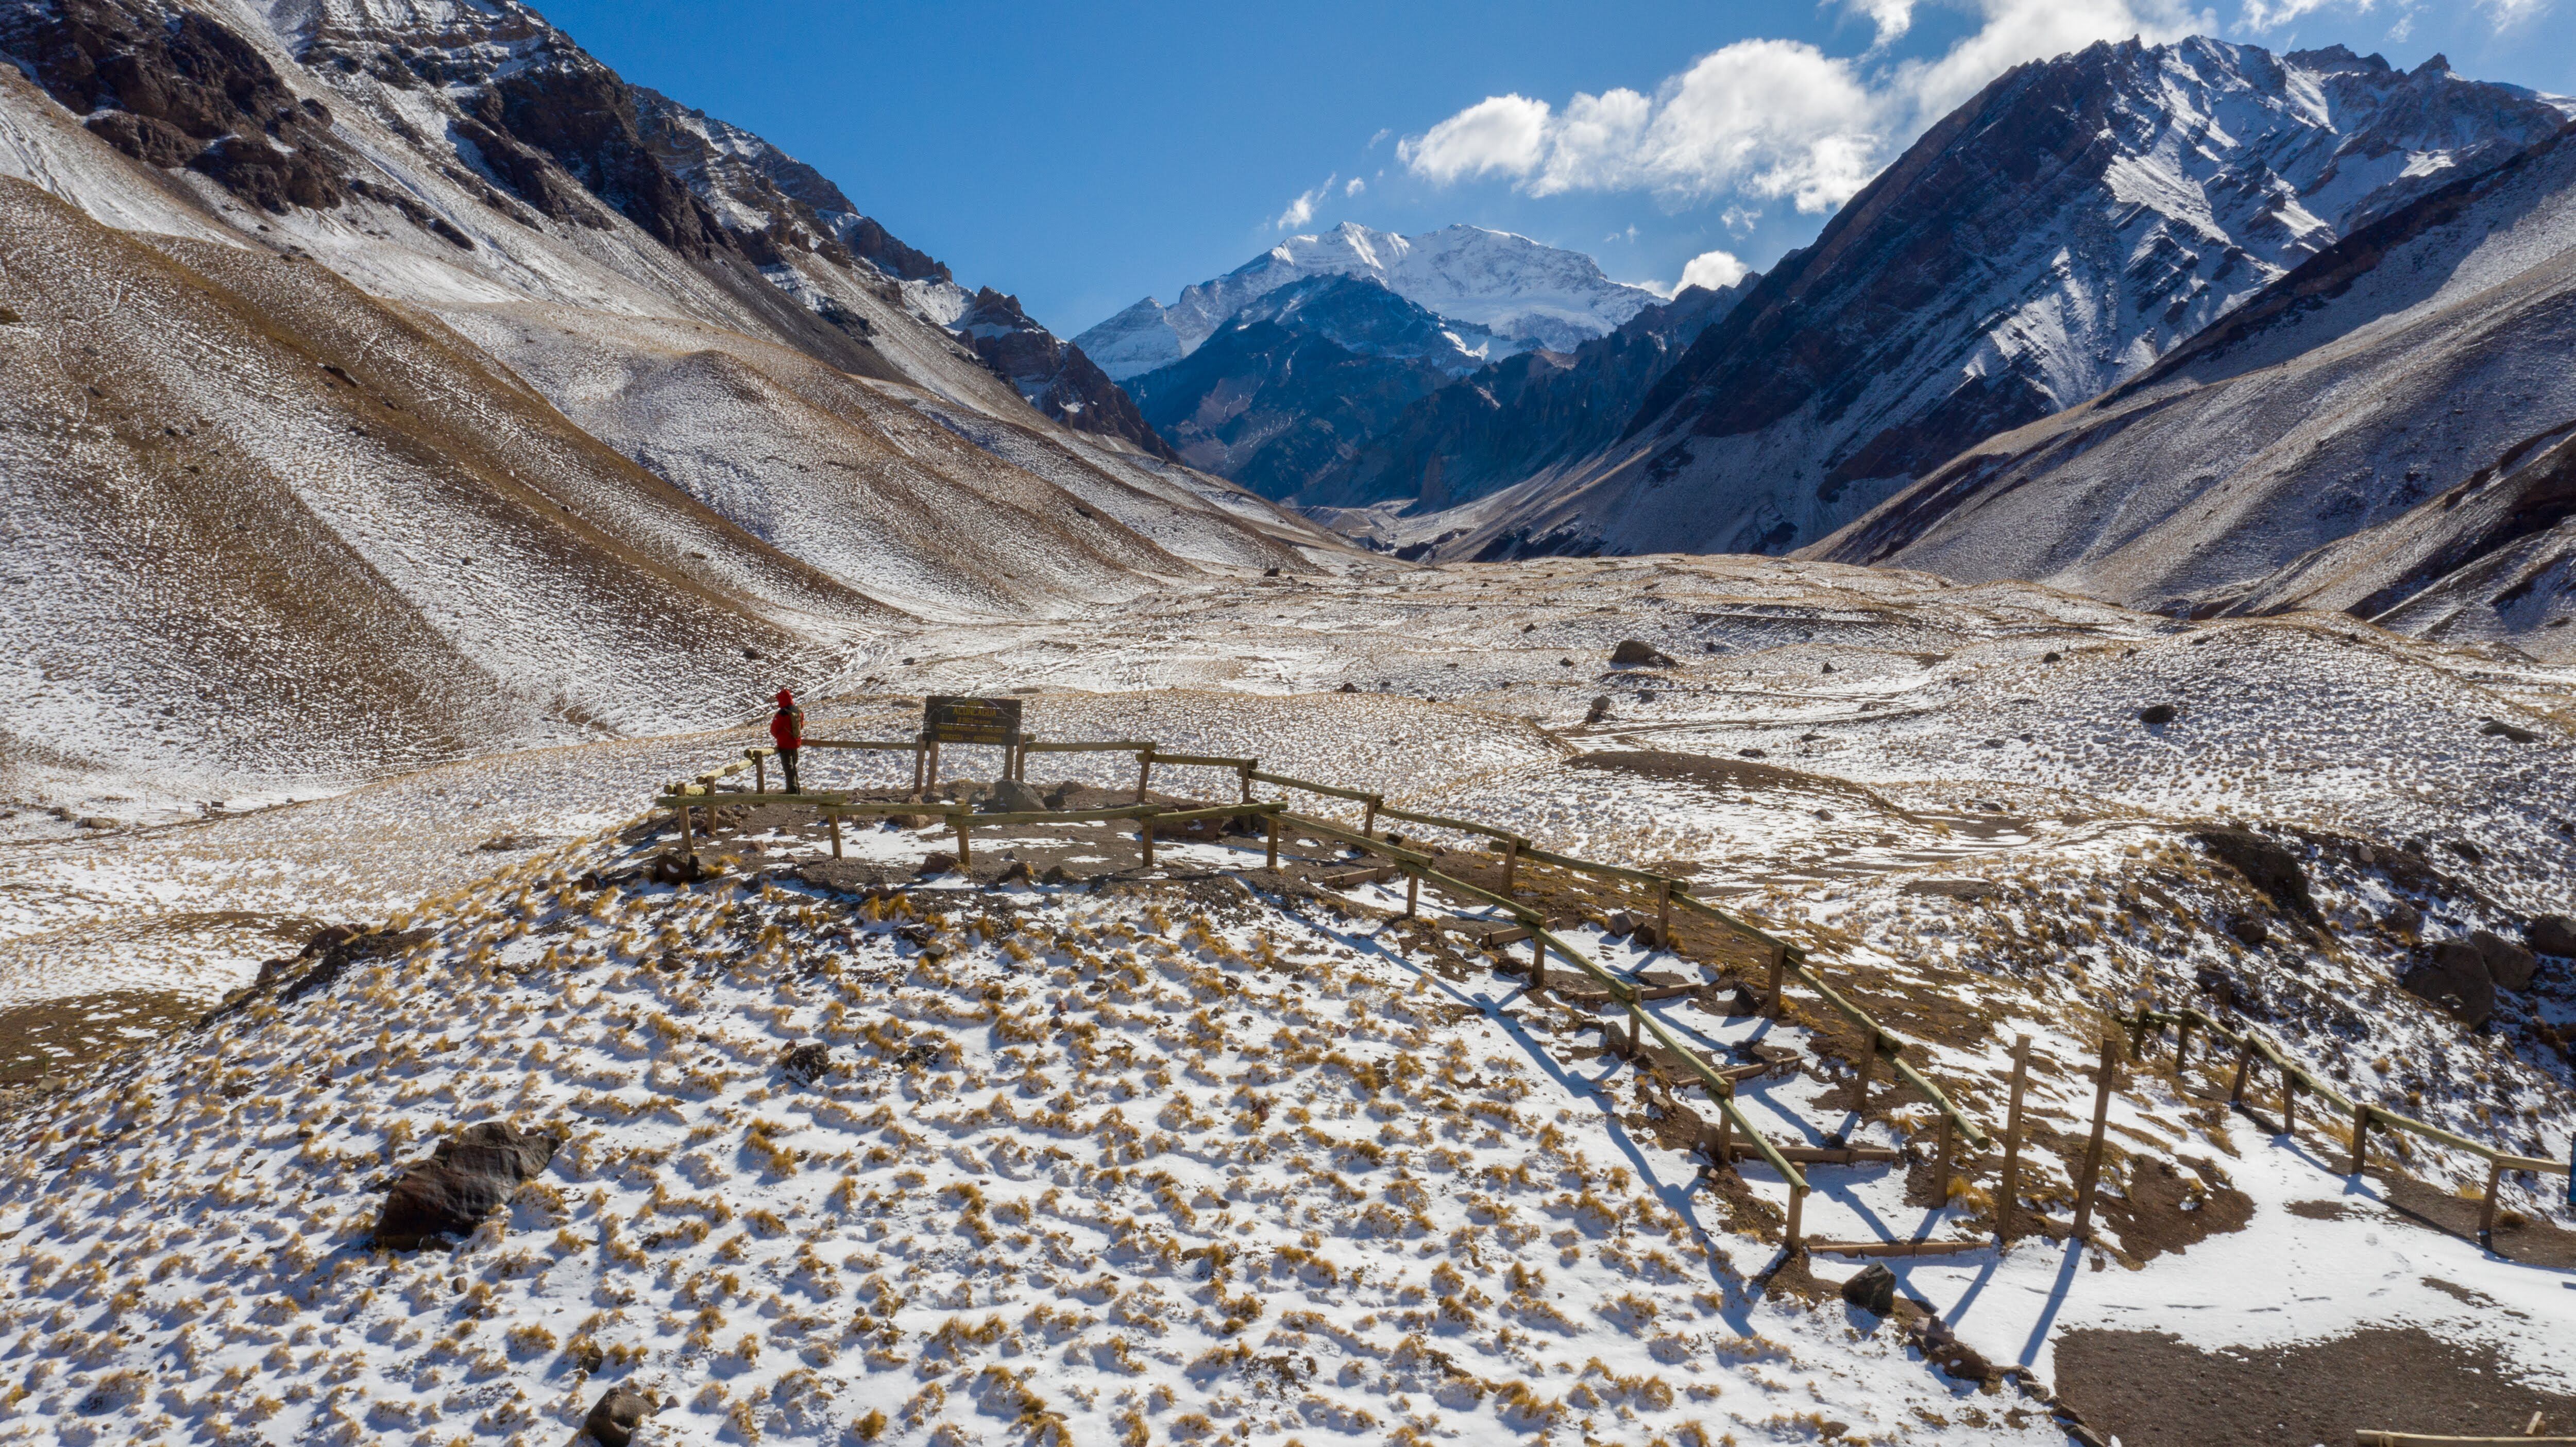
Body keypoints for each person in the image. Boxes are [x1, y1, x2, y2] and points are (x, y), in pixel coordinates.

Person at [769, 689, 805, 794]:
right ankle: (796, 788)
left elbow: (774, 729)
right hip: (796, 742)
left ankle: (792, 791)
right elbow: (801, 726)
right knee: (793, 766)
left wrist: (779, 737)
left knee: (788, 767)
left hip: (785, 743)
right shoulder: (798, 711)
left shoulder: (782, 714)